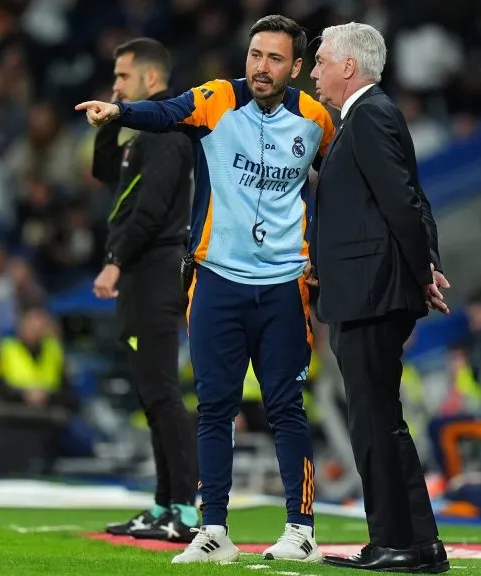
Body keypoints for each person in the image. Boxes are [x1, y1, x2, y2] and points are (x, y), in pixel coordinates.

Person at [76, 15, 334, 565]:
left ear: (296, 67)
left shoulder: (316, 120)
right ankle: (212, 527)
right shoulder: (216, 99)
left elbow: (341, 185)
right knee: (214, 407)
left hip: (285, 285)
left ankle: (302, 528)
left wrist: (327, 255)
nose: (261, 68)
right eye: (255, 55)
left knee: (287, 407)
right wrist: (119, 110)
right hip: (216, 281)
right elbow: (165, 112)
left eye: (274, 59)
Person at [308, 22, 450, 574]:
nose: (313, 70)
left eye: (320, 61)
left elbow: (401, 202)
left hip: (370, 295)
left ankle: (394, 541)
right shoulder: (369, 117)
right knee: (382, 421)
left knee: (373, 423)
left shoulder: (369, 115)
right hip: (368, 292)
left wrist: (423, 274)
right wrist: (426, 268)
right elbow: (413, 198)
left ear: (348, 66)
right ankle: (418, 542)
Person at [90, 38, 199, 544]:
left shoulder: (170, 133)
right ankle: (163, 504)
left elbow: (151, 209)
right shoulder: (140, 134)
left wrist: (114, 262)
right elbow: (105, 174)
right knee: (150, 393)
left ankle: (188, 510)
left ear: (152, 80)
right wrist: (109, 123)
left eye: (122, 79)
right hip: (139, 271)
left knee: (161, 390)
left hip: (154, 268)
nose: (115, 87)